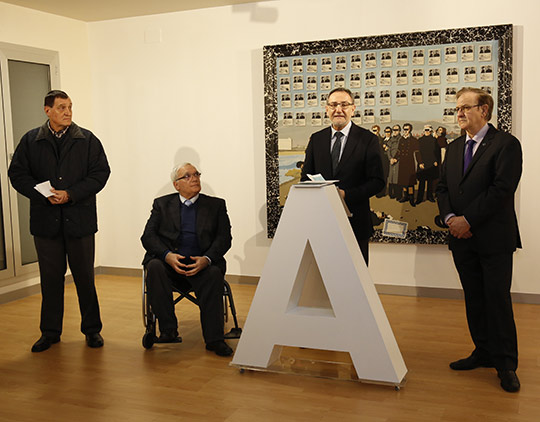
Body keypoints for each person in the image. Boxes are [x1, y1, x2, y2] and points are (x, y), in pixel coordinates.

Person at [8, 90, 110, 352]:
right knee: (50, 280)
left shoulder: (87, 139)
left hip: (80, 221)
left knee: (85, 278)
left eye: (70, 107)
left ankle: (92, 330)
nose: (68, 112)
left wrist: (71, 194)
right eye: (62, 107)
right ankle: (50, 332)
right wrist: (42, 194)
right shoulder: (31, 140)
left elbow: (100, 173)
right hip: (46, 222)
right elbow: (17, 174)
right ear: (47, 110)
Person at [436, 87, 522, 393]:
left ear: (484, 110)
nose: (458, 113)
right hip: (463, 240)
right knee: (474, 298)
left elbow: (501, 190)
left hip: (493, 238)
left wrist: (467, 220)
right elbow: (443, 188)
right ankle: (483, 351)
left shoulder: (506, 145)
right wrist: (450, 219)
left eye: (464, 108)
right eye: (457, 109)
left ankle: (506, 364)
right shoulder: (456, 147)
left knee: (497, 300)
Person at [141, 163, 233, 357]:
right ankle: (168, 330)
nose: (195, 178)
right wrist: (167, 256)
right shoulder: (161, 204)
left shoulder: (216, 205)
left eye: (197, 174)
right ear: (176, 185)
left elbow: (224, 239)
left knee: (214, 272)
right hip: (170, 266)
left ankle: (215, 339)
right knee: (154, 266)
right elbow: (148, 237)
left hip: (202, 265)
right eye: (188, 176)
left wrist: (207, 259)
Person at [301, 87, 384, 264]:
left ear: (353, 109)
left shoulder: (368, 139)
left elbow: (377, 181)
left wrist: (347, 195)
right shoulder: (317, 139)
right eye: (333, 105)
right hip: (323, 223)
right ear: (326, 109)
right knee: (324, 278)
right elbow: (305, 178)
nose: (338, 109)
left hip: (356, 224)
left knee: (356, 283)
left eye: (344, 104)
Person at [416, 125, 440, 204]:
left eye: (428, 130)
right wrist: (420, 162)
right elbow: (417, 152)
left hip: (431, 162)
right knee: (422, 182)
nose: (427, 131)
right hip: (422, 163)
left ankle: (429, 197)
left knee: (430, 181)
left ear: (431, 131)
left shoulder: (434, 140)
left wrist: (436, 161)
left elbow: (437, 151)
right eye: (425, 130)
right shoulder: (420, 140)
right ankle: (419, 198)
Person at [396, 123, 419, 206]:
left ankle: (411, 198)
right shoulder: (401, 139)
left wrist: (420, 162)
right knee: (403, 181)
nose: (405, 131)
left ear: (410, 130)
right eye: (404, 129)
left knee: (410, 183)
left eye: (407, 129)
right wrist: (395, 158)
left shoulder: (413, 140)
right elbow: (398, 151)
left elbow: (417, 153)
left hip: (409, 162)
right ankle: (405, 196)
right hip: (402, 162)